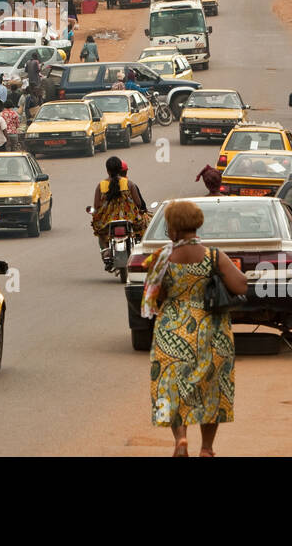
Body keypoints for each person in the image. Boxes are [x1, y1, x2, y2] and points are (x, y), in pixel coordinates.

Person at [142, 199, 247, 456]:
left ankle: (180, 438)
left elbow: (154, 296)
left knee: (171, 386)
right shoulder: (214, 255)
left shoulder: (163, 258)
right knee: (212, 388)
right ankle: (207, 448)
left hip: (172, 329)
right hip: (211, 330)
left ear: (173, 227)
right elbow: (242, 286)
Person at [91, 156, 149, 255]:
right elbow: (138, 203)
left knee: (100, 232)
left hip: (107, 221)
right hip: (129, 219)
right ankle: (140, 249)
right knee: (146, 224)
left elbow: (96, 206)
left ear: (107, 170)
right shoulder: (129, 183)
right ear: (120, 170)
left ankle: (105, 250)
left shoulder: (101, 185)